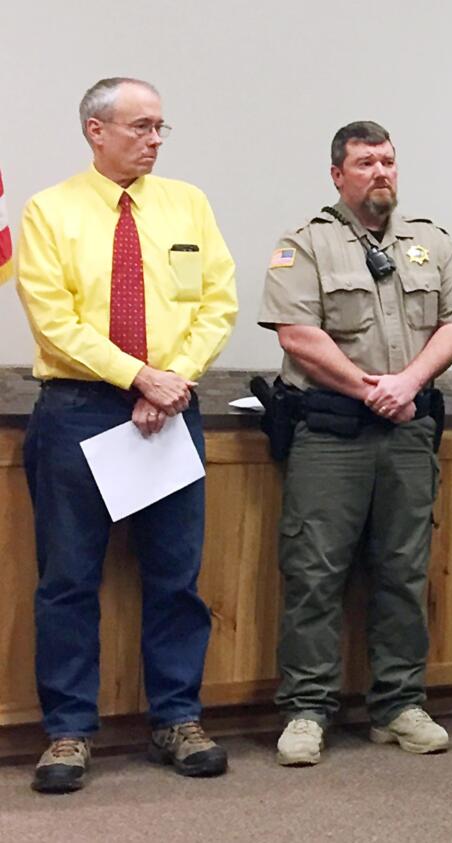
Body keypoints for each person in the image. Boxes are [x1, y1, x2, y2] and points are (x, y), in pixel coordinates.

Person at [15, 76, 237, 793]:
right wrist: (138, 376)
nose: (153, 140)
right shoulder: (50, 211)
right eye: (140, 127)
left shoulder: (187, 204)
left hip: (171, 407)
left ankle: (178, 718)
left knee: (176, 576)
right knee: (68, 580)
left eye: (160, 128)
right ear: (96, 131)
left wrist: (168, 379)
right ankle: (69, 731)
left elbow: (217, 301)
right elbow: (55, 321)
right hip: (79, 409)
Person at [258, 121, 452, 766]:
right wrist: (367, 388)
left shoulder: (429, 242)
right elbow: (297, 334)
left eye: (388, 161)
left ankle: (399, 705)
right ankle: (307, 710)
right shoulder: (306, 245)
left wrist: (407, 382)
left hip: (408, 433)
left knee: (404, 573)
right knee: (314, 575)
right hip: (330, 435)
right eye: (365, 163)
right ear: (337, 174)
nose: (381, 172)